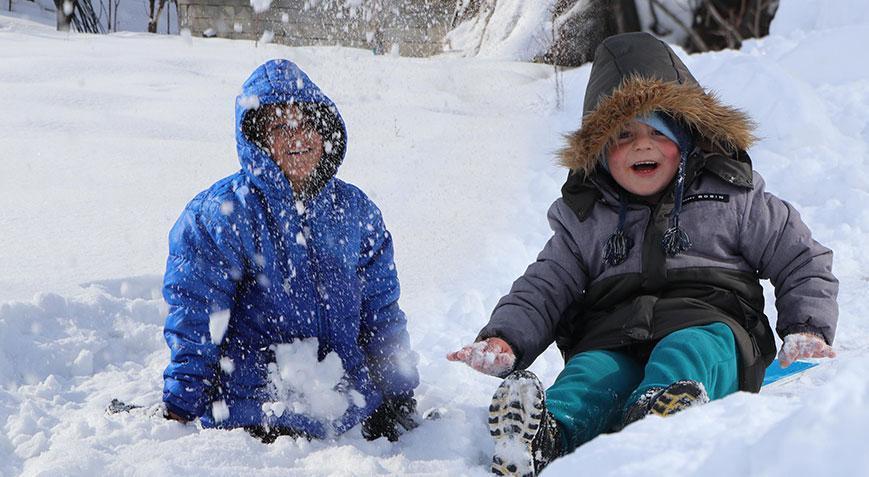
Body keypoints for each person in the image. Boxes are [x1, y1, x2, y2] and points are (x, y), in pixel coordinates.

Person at [448, 32, 838, 475]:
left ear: (688, 137)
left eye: (658, 131)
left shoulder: (733, 198)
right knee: (588, 375)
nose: (642, 144)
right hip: (613, 334)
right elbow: (544, 286)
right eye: (624, 134)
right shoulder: (587, 217)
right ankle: (544, 436)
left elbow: (802, 259)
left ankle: (664, 412)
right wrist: (505, 338)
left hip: (711, 324)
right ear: (599, 153)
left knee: (688, 348)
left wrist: (807, 326)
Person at [161, 59, 419, 443]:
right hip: (257, 416)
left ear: (324, 131)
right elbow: (196, 314)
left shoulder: (355, 211)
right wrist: (182, 400)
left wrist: (397, 389)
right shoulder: (221, 215)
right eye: (280, 126)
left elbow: (381, 311)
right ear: (258, 141)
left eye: (306, 124)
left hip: (348, 413)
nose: (297, 136)